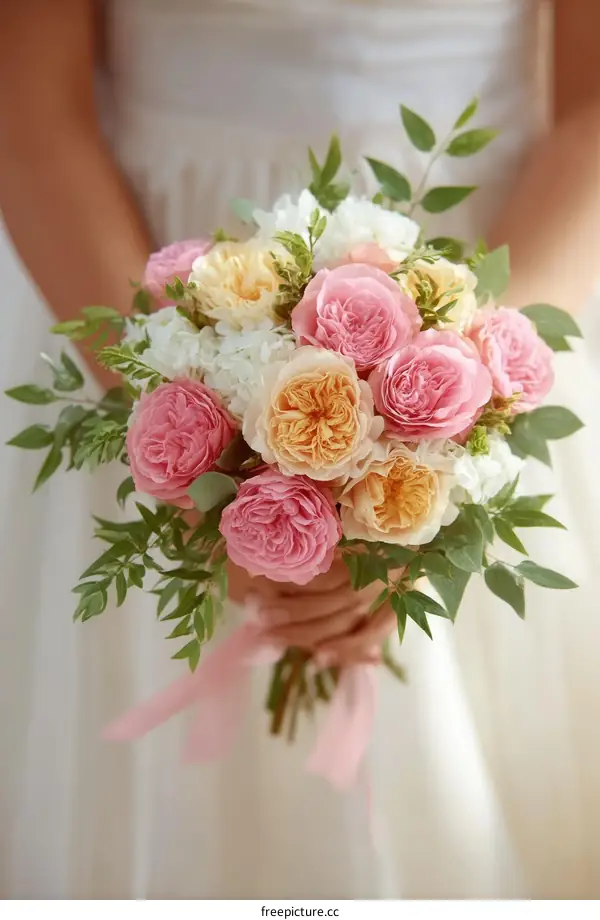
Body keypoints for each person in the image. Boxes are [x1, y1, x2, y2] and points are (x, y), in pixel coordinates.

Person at [0, 0, 599, 899]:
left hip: (488, 273)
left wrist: (450, 445)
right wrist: (190, 441)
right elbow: (30, 106)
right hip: (149, 279)